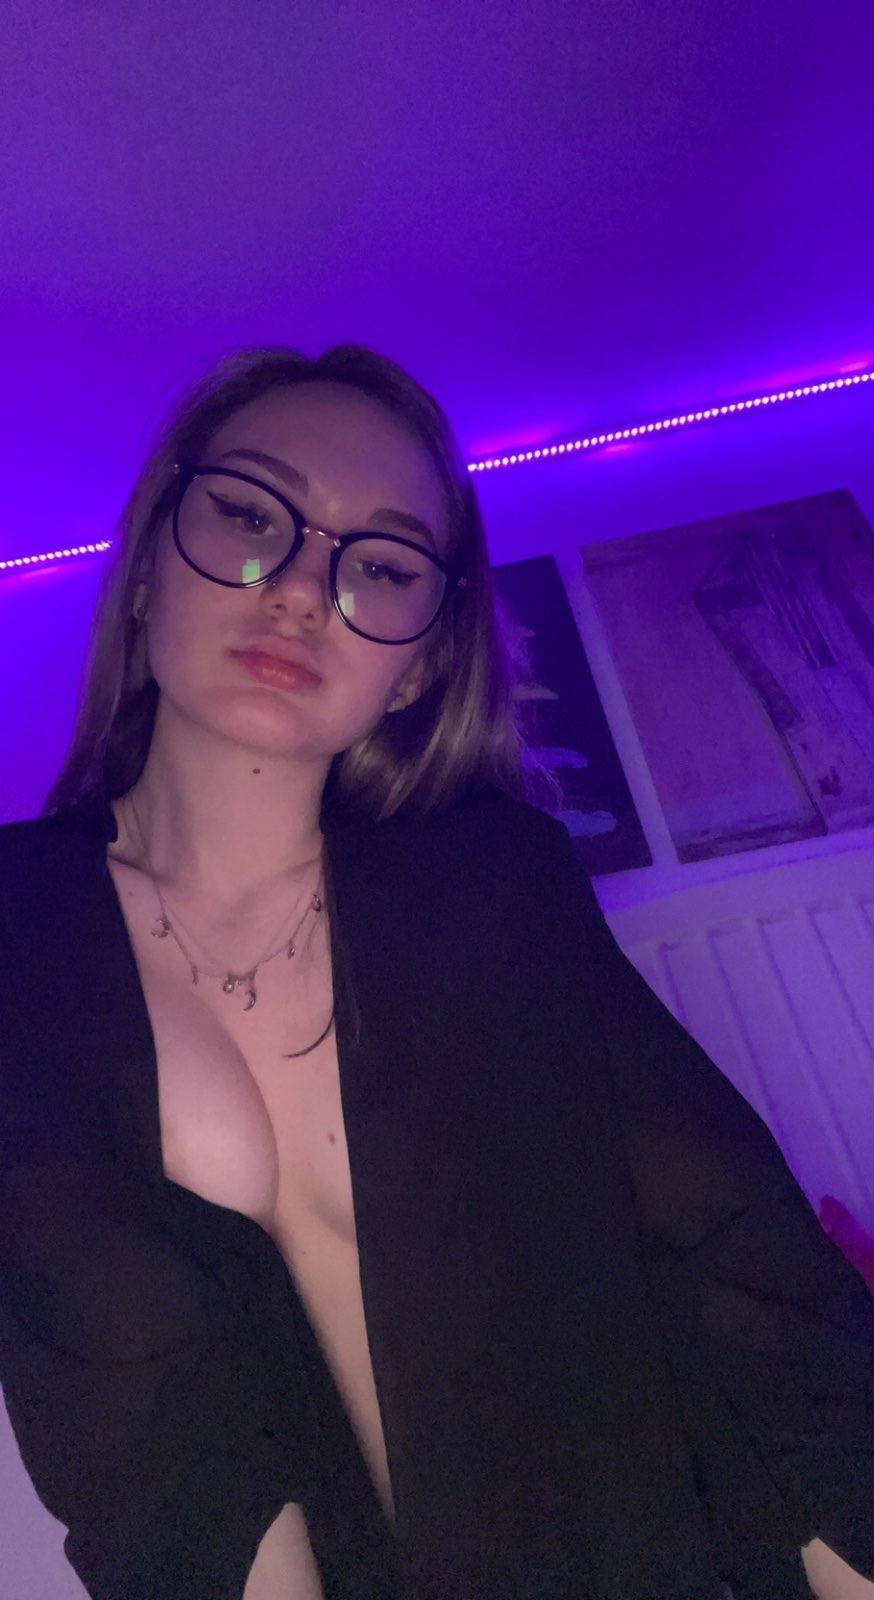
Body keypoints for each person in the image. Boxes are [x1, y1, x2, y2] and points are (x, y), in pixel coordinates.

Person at [0, 344, 871, 1600]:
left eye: (384, 565)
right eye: (249, 515)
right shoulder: (21, 930)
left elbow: (743, 1266)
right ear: (144, 570)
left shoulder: (495, 879)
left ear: (415, 662)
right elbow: (125, 1407)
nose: (304, 589)